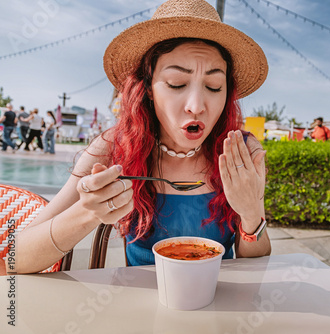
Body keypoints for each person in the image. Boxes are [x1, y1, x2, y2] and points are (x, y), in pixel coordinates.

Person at [13, 0, 271, 274]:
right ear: (148, 87)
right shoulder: (113, 147)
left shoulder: (240, 151)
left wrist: (252, 214)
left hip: (223, 301)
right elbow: (15, 260)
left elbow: (257, 267)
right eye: (176, 84)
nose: (196, 105)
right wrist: (88, 213)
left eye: (213, 86)